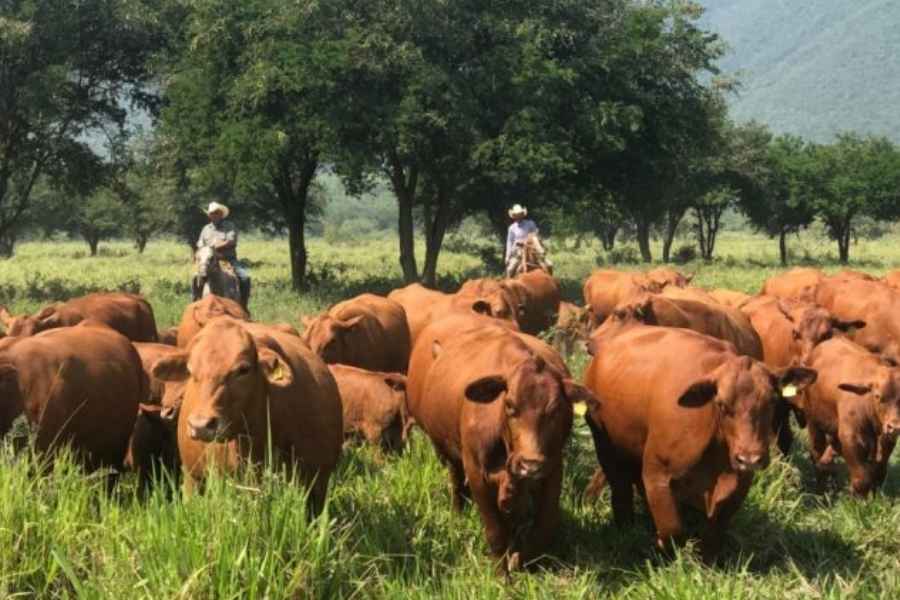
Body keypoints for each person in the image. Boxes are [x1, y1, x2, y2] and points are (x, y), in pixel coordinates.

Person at [192, 202, 251, 310]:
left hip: (228, 260)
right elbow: (200, 243)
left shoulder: (229, 226)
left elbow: (231, 241)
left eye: (216, 213)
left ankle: (243, 305)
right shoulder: (206, 229)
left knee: (245, 277)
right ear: (209, 215)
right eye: (212, 213)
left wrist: (214, 247)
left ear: (221, 214)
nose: (214, 215)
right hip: (209, 261)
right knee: (196, 277)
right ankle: (195, 302)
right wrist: (203, 247)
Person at [505, 204, 540, 277]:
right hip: (518, 252)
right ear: (514, 216)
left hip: (531, 249)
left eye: (519, 214)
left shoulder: (530, 223)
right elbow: (509, 242)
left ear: (522, 215)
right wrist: (507, 256)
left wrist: (527, 241)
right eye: (516, 215)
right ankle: (510, 285)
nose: (518, 216)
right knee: (510, 270)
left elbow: (536, 233)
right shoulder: (512, 228)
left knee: (548, 265)